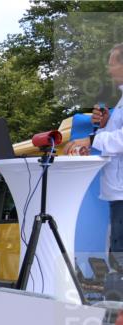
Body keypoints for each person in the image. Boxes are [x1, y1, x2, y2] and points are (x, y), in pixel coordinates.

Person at [65, 43, 123, 260]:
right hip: (117, 191)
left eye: (112, 64)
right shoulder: (120, 100)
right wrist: (105, 124)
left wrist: (91, 139)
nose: (109, 70)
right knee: (116, 253)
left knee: (119, 256)